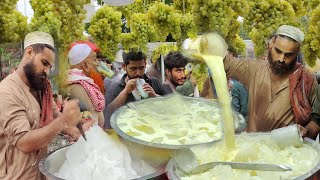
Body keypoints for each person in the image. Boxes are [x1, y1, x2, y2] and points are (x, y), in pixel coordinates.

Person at [0, 31, 88, 179]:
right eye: (44, 63)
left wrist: (75, 132)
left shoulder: (41, 87)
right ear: (29, 52)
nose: (47, 71)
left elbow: (54, 113)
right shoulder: (7, 92)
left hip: (41, 172)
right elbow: (24, 142)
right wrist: (64, 121)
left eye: (50, 67)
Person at [223, 25, 318, 138]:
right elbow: (225, 64)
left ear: (297, 53)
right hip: (254, 147)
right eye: (278, 51)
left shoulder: (306, 79)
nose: (281, 59)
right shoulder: (254, 69)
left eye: (289, 55)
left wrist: (304, 132)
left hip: (286, 152)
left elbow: (316, 120)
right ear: (270, 44)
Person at [105, 50, 167, 128]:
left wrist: (155, 96)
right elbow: (107, 113)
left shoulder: (154, 82)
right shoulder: (115, 86)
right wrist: (125, 92)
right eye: (133, 69)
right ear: (124, 67)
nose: (138, 73)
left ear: (145, 64)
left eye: (141, 68)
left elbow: (168, 105)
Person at [65, 43, 105, 128]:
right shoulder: (77, 87)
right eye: (94, 60)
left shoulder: (82, 83)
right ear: (85, 65)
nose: (97, 64)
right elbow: (87, 122)